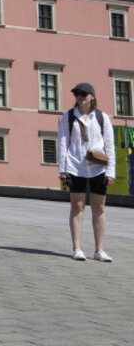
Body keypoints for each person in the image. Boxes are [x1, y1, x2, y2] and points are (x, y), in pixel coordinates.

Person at [58, 82, 116, 262]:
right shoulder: (68, 117)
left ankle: (99, 250)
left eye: (83, 94)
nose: (79, 97)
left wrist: (111, 171)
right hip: (75, 167)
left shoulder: (102, 117)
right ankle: (77, 248)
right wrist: (63, 169)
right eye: (76, 94)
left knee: (99, 208)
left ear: (92, 96)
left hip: (98, 167)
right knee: (77, 207)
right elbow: (62, 143)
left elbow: (109, 145)